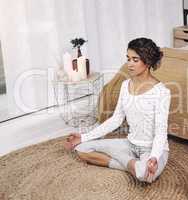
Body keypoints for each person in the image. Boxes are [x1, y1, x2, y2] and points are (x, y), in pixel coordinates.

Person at [64, 37, 171, 183]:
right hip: (130, 144)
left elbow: (160, 131)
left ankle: (132, 164)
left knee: (146, 174)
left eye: (135, 59)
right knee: (82, 149)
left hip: (152, 150)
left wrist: (153, 158)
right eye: (128, 59)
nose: (129, 64)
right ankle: (131, 165)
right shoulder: (125, 85)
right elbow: (116, 119)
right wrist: (83, 137)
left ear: (147, 62)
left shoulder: (161, 92)